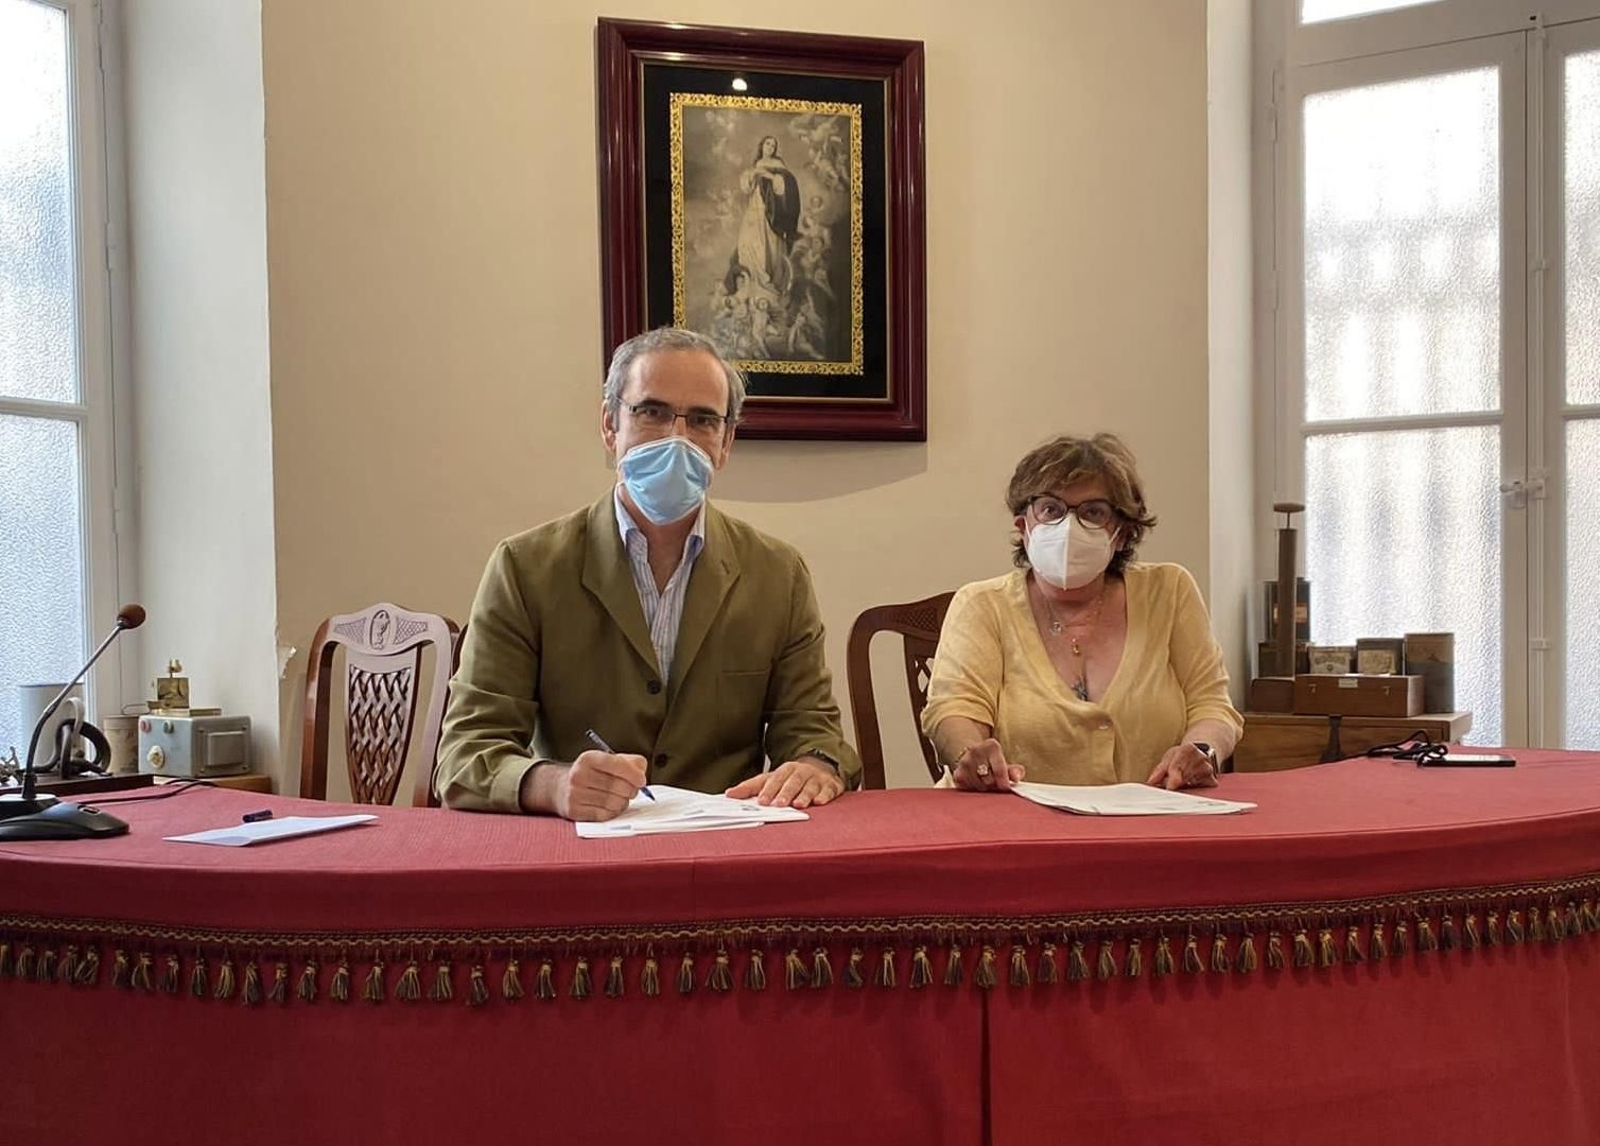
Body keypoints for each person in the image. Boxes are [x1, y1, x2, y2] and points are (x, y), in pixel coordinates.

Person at [436, 327, 859, 820]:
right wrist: (553, 785)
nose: (677, 438)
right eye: (652, 412)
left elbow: (814, 732)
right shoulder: (525, 568)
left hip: (726, 843)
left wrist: (815, 765)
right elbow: (465, 754)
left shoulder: (778, 574)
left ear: (726, 442)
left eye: (702, 419)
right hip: (581, 846)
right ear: (609, 425)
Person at [921, 433, 1242, 792]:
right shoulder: (981, 604)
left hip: (1151, 815)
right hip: (1012, 816)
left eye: (1093, 512)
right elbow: (952, 711)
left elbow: (1212, 706)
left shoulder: (1169, 590)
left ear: (1123, 533)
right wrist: (971, 754)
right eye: (1051, 509)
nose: (1068, 527)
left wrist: (1200, 751)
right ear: (1024, 527)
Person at [735, 136, 800, 298]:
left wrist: (768, 175)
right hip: (755, 206)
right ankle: (754, 279)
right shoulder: (756, 164)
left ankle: (769, 281)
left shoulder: (778, 164)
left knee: (770, 243)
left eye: (773, 145)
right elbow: (748, 187)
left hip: (770, 209)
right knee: (749, 240)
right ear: (762, 145)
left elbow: (786, 184)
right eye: (768, 143)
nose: (770, 147)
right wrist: (751, 175)